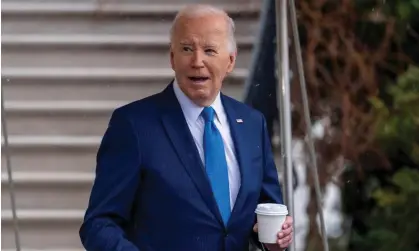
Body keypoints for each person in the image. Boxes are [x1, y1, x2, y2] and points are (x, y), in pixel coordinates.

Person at [79, 4, 293, 251]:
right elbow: (99, 224)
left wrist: (275, 240)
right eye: (187, 49)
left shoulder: (252, 124)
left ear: (230, 61)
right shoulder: (134, 125)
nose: (197, 61)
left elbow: (265, 212)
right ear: (172, 57)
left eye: (210, 50)